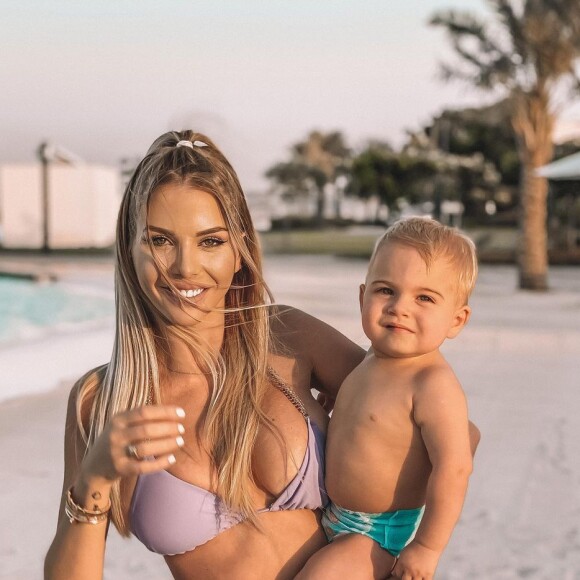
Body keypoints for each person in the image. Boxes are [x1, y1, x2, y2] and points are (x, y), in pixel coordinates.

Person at [44, 132, 478, 580]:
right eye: (160, 241)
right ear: (129, 250)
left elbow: (456, 440)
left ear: (240, 251)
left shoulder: (287, 335)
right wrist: (93, 480)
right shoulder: (101, 401)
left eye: (210, 241)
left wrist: (393, 541)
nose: (186, 268)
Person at [296, 217, 478, 580]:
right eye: (385, 291)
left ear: (456, 321)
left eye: (424, 297)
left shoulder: (432, 383)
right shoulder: (371, 359)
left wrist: (426, 548)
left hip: (373, 534)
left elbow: (454, 469)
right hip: (331, 511)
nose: (400, 307)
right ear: (362, 297)